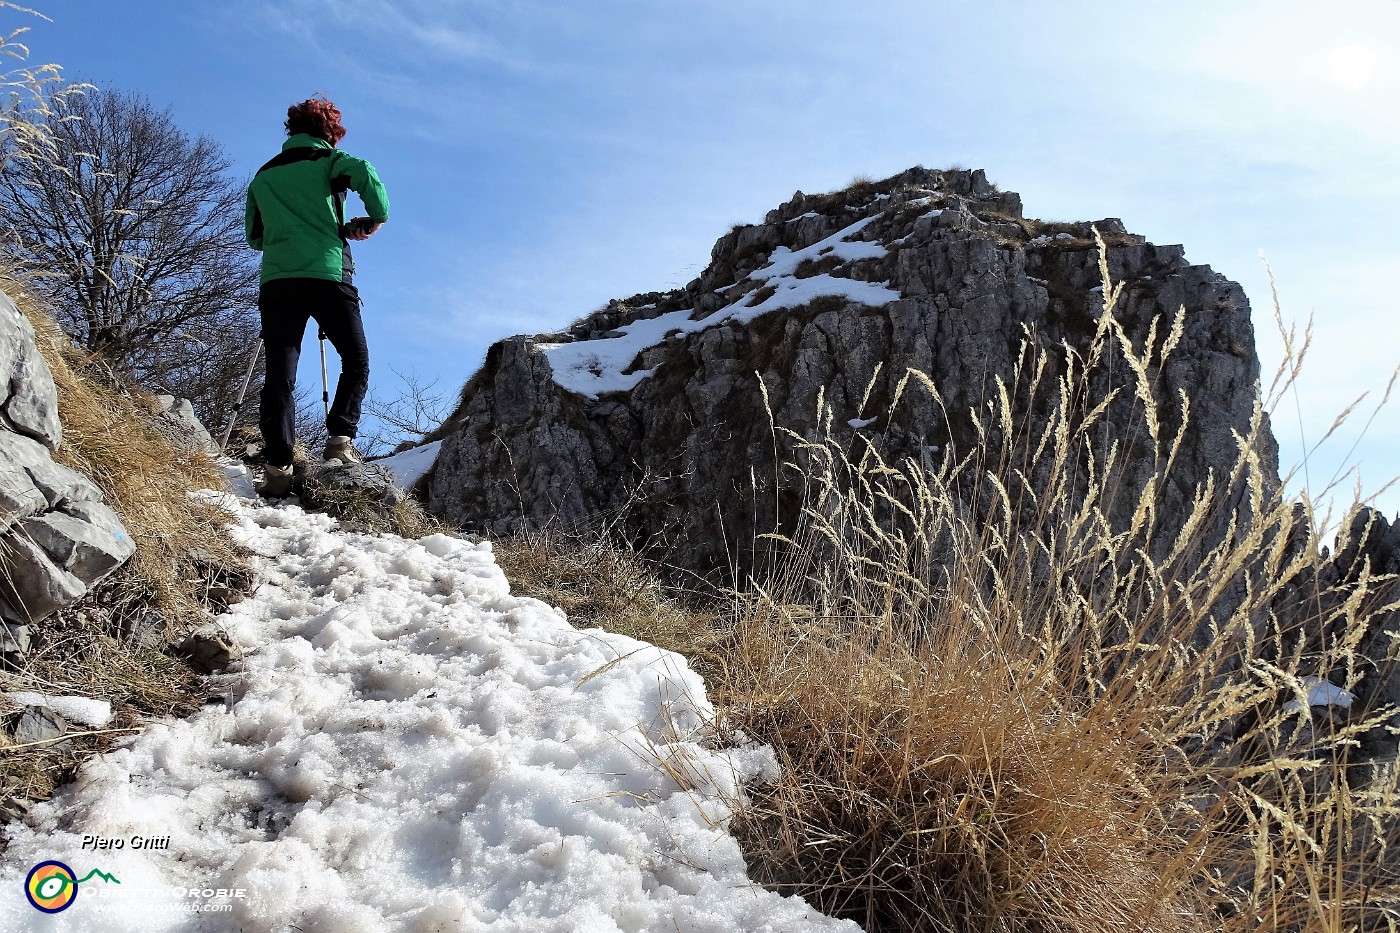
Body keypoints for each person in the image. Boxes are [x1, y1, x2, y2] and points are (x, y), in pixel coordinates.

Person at [244, 96, 389, 496]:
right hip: (328, 275)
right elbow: (366, 173)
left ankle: (277, 467)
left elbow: (254, 237)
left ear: (292, 130)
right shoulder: (329, 163)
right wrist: (372, 219)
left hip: (278, 281)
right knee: (356, 359)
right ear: (330, 133)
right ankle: (340, 442)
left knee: (279, 374)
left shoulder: (263, 176)